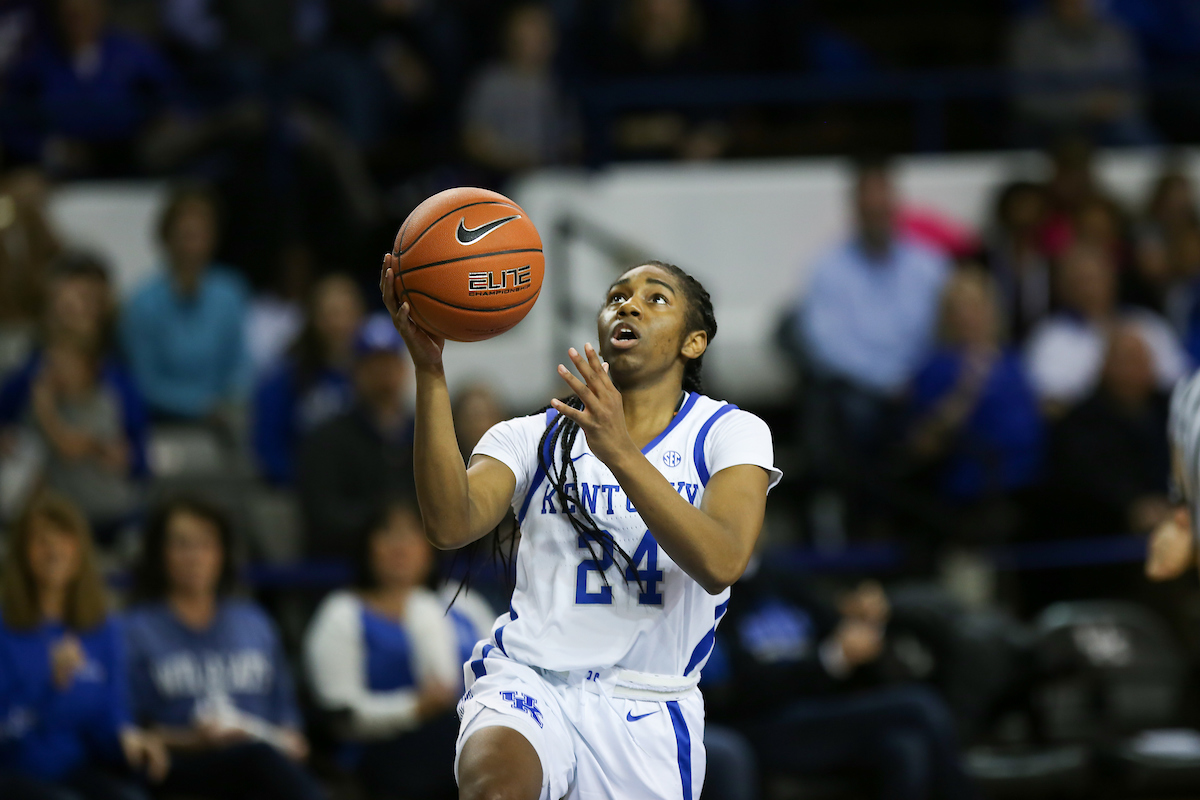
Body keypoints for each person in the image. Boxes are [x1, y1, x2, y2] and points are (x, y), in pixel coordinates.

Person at [379, 255, 781, 800]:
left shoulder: (728, 433)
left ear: (694, 342)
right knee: (495, 790)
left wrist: (620, 452)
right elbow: (450, 525)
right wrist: (429, 372)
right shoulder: (534, 435)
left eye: (655, 298)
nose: (629, 305)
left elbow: (723, 562)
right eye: (617, 297)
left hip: (648, 707)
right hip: (530, 680)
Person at [705, 563, 976, 800]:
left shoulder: (782, 576)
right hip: (764, 722)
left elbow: (837, 632)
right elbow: (739, 689)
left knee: (905, 747)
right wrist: (828, 660)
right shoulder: (711, 589)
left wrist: (862, 621)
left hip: (820, 713)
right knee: (919, 704)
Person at [122, 496, 327, 800]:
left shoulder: (254, 623)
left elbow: (286, 715)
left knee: (265, 761)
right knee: (257, 760)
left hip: (262, 761)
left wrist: (288, 738)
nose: (194, 557)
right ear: (159, 554)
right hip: (183, 767)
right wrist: (191, 740)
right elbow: (129, 729)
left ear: (222, 554)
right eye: (182, 544)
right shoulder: (134, 630)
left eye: (205, 544)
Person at [790, 157, 950, 508]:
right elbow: (826, 345)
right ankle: (866, 512)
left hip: (920, 383)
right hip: (861, 390)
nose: (877, 212)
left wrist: (914, 378)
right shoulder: (827, 268)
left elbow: (943, 333)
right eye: (869, 206)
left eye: (883, 204)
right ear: (856, 208)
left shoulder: (930, 265)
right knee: (850, 412)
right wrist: (886, 382)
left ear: (896, 204)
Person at [0, 491, 167, 800]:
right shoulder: (5, 627)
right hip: (13, 771)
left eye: (64, 539)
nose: (54, 551)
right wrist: (50, 685)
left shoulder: (103, 627)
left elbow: (111, 712)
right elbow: (5, 731)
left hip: (76, 769)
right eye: (41, 541)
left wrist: (127, 737)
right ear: (21, 552)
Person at [305, 498, 474, 800]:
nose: (401, 546)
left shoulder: (462, 602)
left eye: (412, 533)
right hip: (382, 752)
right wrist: (414, 708)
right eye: (388, 533)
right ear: (367, 546)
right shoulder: (343, 613)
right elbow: (341, 718)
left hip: (466, 739)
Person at [905, 269, 1044, 538]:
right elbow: (923, 443)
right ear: (946, 317)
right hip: (978, 487)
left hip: (1034, 480)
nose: (968, 316)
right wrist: (966, 390)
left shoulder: (1013, 361)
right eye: (959, 309)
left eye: (976, 306)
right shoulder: (937, 367)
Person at [1, 0, 183, 177]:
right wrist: (45, 149)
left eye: (86, 11)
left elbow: (178, 103)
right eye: (72, 15)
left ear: (102, 10)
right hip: (60, 174)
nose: (79, 21)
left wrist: (159, 136)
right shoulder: (36, 62)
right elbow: (12, 120)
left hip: (133, 169)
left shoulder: (136, 56)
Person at [120, 184, 251, 423]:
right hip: (164, 422)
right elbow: (145, 381)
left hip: (225, 418)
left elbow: (241, 363)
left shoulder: (231, 292)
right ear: (167, 238)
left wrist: (231, 399)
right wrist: (200, 406)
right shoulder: (143, 302)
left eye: (202, 234)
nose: (193, 246)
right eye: (186, 235)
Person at [297, 313, 413, 559]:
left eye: (389, 362)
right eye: (373, 364)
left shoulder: (424, 434)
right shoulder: (327, 439)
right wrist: (383, 526)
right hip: (348, 567)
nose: (382, 373)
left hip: (423, 564)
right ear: (355, 371)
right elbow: (322, 515)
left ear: (403, 368)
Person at [1024, 242, 1187, 413]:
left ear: (1113, 278)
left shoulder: (1147, 323)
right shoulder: (1050, 338)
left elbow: (1179, 384)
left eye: (1095, 277)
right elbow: (1051, 405)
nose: (1089, 288)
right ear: (1062, 286)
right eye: (1080, 280)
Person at [1048, 323, 1172, 538]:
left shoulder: (1171, 410)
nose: (1136, 369)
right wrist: (1132, 505)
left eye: (1142, 359)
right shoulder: (1079, 423)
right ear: (1104, 366)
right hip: (1102, 535)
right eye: (1127, 360)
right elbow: (1084, 481)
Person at [253, 274, 364, 485]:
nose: (340, 324)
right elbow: (269, 450)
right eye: (331, 314)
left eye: (348, 313)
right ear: (313, 319)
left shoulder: (371, 378)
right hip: (298, 489)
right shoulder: (284, 379)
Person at [1007, 0, 1156, 146]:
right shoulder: (1030, 35)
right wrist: (1084, 107)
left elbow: (1135, 89)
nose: (1075, 5)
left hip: (1110, 120)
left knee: (1134, 135)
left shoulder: (1115, 33)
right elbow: (1027, 100)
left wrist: (1114, 105)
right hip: (1051, 123)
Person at [462, 3, 577, 176]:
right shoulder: (491, 82)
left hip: (553, 178)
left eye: (542, 30)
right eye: (528, 29)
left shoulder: (559, 82)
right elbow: (473, 141)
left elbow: (573, 139)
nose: (536, 38)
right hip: (500, 180)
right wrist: (519, 159)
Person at [983, 181, 1053, 342]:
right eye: (1019, 207)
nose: (1025, 215)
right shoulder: (984, 261)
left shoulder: (1054, 264)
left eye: (1032, 208)